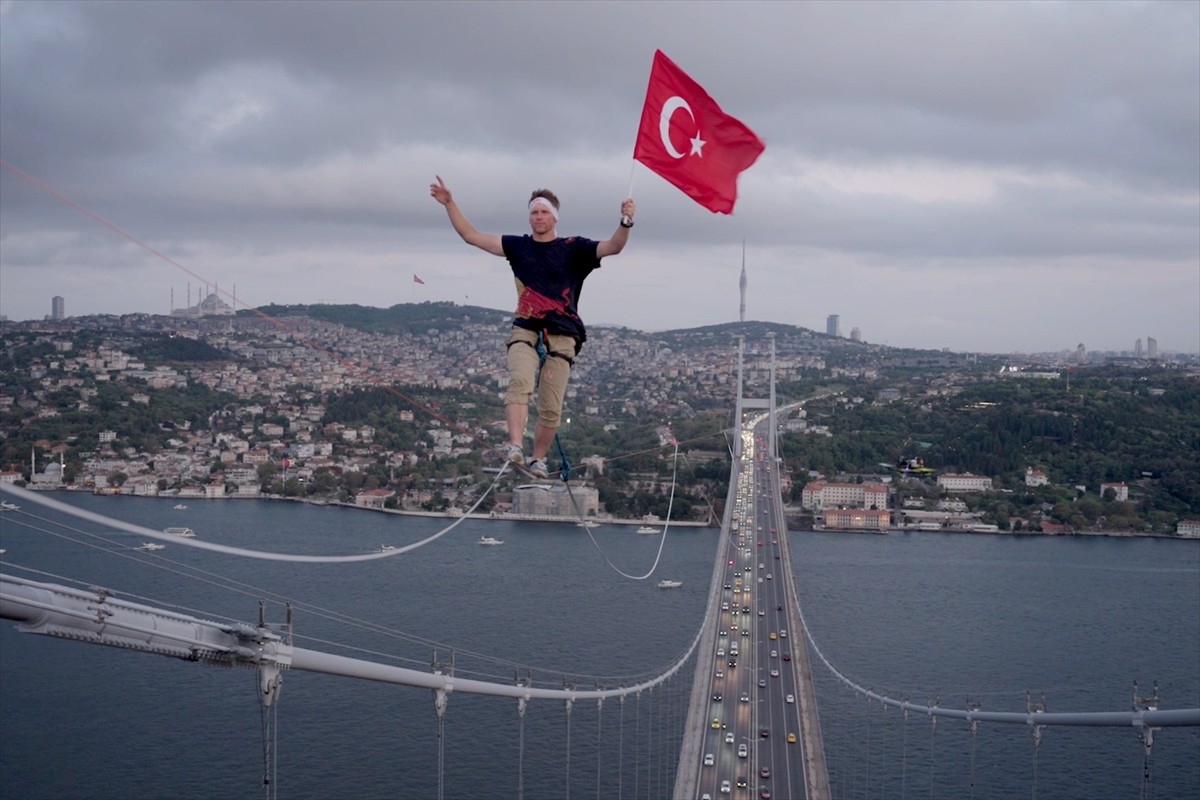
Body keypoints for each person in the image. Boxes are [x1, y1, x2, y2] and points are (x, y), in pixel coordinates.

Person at [430, 176, 635, 478]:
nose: (538, 217)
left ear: (554, 217)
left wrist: (626, 221)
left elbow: (614, 246)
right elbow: (471, 236)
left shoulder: (574, 248)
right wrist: (449, 203)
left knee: (551, 406)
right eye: (534, 212)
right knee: (519, 383)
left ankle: (537, 459)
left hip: (563, 334)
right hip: (526, 328)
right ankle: (515, 445)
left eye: (544, 212)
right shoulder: (518, 246)